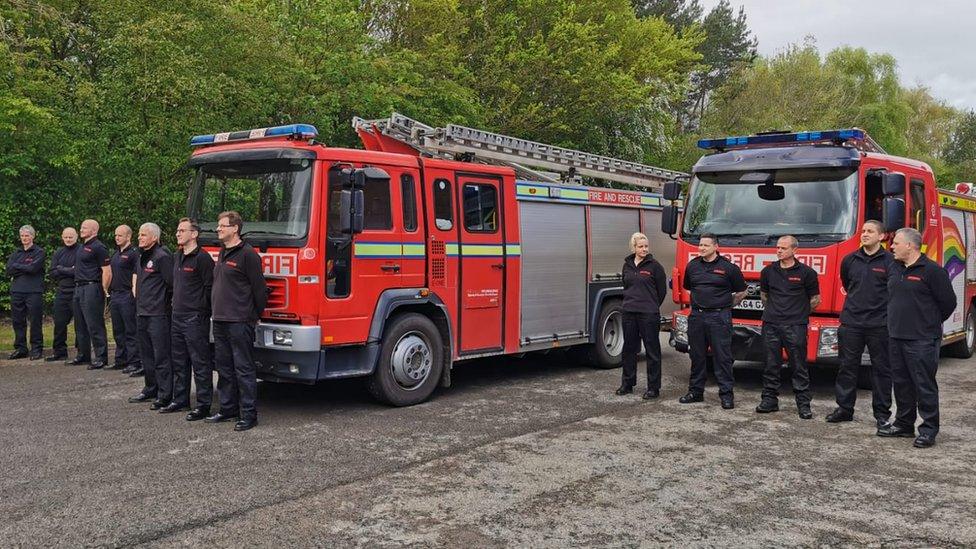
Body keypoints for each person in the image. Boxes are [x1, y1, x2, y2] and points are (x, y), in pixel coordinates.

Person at [877, 228, 955, 448]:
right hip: (896, 336)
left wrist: (927, 323)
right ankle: (904, 424)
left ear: (910, 246)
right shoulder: (894, 268)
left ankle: (928, 429)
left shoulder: (932, 271)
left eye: (897, 243)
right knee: (901, 384)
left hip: (922, 340)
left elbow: (948, 303)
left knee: (924, 385)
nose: (892, 247)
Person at [827, 221, 894, 427]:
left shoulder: (890, 261)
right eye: (863, 231)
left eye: (870, 231)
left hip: (879, 324)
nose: (864, 234)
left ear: (881, 236)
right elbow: (848, 284)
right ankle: (845, 409)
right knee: (847, 368)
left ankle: (882, 414)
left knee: (881, 370)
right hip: (851, 323)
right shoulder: (849, 260)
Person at [208, 211, 267, 431]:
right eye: (218, 226)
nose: (218, 229)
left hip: (240, 320)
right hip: (221, 319)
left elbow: (259, 290)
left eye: (222, 226)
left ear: (235, 228)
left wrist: (255, 315)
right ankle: (227, 409)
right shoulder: (223, 252)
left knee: (243, 368)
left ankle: (249, 414)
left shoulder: (248, 254)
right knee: (224, 368)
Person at [756, 235, 821, 419]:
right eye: (777, 248)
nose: (779, 251)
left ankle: (803, 404)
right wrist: (775, 312)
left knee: (798, 365)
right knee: (770, 364)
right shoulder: (768, 271)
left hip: (795, 325)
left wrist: (798, 313)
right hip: (771, 324)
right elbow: (764, 296)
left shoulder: (807, 273)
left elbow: (815, 300)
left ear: (794, 250)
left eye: (783, 248)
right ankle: (769, 400)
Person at [679, 233, 746, 409]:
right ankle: (695, 392)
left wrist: (725, 306)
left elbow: (741, 291)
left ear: (716, 247)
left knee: (722, 358)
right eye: (700, 245)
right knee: (697, 356)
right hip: (697, 317)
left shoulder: (728, 268)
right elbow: (688, 287)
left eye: (705, 245)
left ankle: (726, 395)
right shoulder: (692, 266)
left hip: (719, 318)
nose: (701, 248)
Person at [167, 218, 215, 419]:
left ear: (194, 234)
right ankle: (180, 400)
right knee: (179, 361)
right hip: (177, 316)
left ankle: (203, 405)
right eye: (177, 230)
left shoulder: (202, 258)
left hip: (195, 318)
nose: (178, 234)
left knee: (200, 362)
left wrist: (201, 310)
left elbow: (209, 288)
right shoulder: (177, 256)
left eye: (182, 230)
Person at [615, 232, 667, 400]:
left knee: (652, 351)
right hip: (629, 312)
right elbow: (626, 285)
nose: (644, 249)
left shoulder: (655, 266)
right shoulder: (627, 265)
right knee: (629, 349)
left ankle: (653, 388)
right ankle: (627, 384)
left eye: (646, 246)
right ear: (634, 247)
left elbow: (661, 291)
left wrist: (651, 305)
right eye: (640, 246)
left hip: (648, 314)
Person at [126, 223, 173, 409]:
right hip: (142, 312)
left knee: (161, 355)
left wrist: (164, 305)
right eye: (139, 234)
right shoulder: (141, 256)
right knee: (147, 355)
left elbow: (171, 284)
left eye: (144, 235)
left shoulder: (162, 257)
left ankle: (165, 393)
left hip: (158, 314)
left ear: (154, 237)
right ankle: (150, 387)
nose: (140, 238)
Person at [71, 219, 110, 368]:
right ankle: (83, 354)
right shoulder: (82, 247)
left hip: (91, 287)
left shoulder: (99, 247)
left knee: (94, 324)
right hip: (79, 287)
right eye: (81, 227)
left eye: (84, 228)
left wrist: (104, 288)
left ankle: (101, 357)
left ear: (94, 230)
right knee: (79, 324)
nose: (81, 229)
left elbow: (107, 270)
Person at [6, 225, 46, 360]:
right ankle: (21, 348)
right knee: (18, 321)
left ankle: (36, 348)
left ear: (32, 236)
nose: (24, 238)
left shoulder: (39, 252)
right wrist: (24, 267)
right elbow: (9, 270)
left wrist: (17, 266)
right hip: (17, 291)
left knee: (35, 320)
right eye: (22, 236)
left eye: (27, 236)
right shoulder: (16, 253)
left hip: (33, 291)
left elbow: (34, 268)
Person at [108, 225, 141, 374]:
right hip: (115, 295)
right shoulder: (115, 254)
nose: (117, 238)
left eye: (120, 235)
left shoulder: (134, 254)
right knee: (118, 330)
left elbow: (137, 274)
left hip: (127, 295)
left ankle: (134, 361)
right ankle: (120, 359)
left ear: (128, 236)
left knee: (130, 330)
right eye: (116, 235)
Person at [47, 227, 80, 362]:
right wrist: (68, 270)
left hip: (77, 291)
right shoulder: (59, 252)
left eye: (71, 237)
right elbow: (52, 272)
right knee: (59, 323)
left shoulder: (81, 251)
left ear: (76, 237)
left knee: (80, 324)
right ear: (62, 237)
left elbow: (78, 271)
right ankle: (59, 352)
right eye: (66, 237)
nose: (68, 239)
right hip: (62, 291)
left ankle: (82, 352)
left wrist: (61, 269)